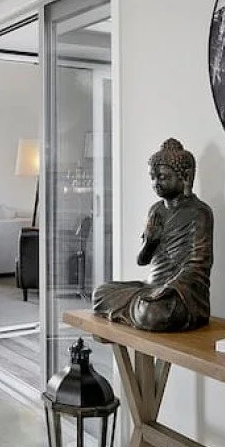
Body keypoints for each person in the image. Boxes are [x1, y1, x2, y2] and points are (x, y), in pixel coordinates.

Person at [93, 139, 213, 332]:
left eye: (163, 177)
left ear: (186, 177)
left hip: (181, 294)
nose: (156, 183)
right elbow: (143, 260)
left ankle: (141, 311)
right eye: (152, 177)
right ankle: (140, 309)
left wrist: (168, 289)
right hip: (151, 288)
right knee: (100, 292)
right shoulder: (155, 210)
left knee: (154, 313)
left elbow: (198, 264)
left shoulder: (199, 213)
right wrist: (150, 241)